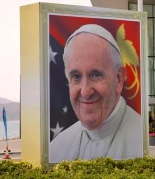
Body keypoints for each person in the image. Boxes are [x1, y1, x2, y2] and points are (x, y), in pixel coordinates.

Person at [49, 24, 142, 162]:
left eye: (96, 75)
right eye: (76, 76)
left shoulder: (145, 143)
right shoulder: (56, 148)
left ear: (118, 79)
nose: (85, 92)